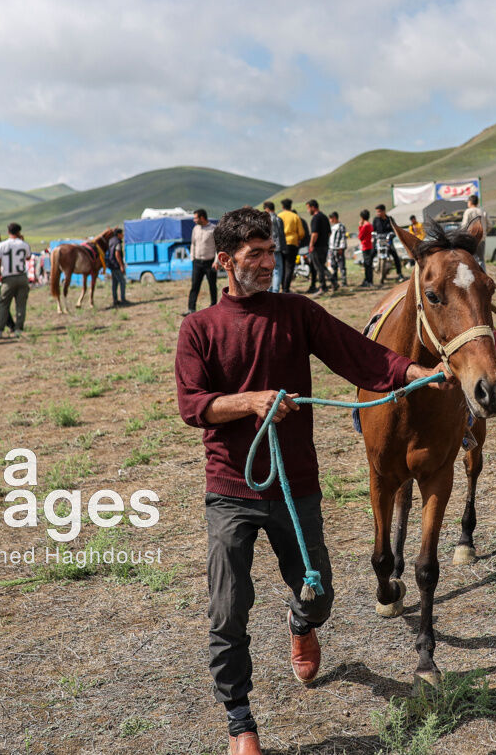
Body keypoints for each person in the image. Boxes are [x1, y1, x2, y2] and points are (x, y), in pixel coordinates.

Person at [174, 207, 451, 755]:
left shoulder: (297, 313)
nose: (268, 263)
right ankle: (240, 722)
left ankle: (301, 624)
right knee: (227, 608)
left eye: (271, 252)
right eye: (255, 254)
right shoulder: (198, 328)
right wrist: (250, 402)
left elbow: (359, 355)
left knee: (318, 595)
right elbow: (193, 406)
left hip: (295, 483)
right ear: (225, 260)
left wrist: (414, 372)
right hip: (230, 489)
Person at [0, 223, 31, 339]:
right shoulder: (24, 244)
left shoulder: (1, 245)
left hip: (8, 278)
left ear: (8, 231)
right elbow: (28, 257)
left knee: (4, 304)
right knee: (21, 305)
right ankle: (18, 329)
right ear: (19, 232)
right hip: (22, 277)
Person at [189, 209, 219, 313]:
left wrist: (216, 261)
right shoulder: (195, 229)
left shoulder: (213, 229)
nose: (194, 220)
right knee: (194, 285)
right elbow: (193, 244)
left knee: (212, 285)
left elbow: (218, 247)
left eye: (195, 218)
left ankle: (214, 306)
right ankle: (191, 309)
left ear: (202, 218)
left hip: (210, 263)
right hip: (197, 262)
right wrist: (192, 258)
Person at [277, 199, 305, 293]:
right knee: (289, 266)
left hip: (280, 244)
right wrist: (298, 238)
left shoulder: (279, 216)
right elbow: (301, 233)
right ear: (291, 206)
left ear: (282, 207)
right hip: (292, 243)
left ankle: (281, 286)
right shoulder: (295, 216)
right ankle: (286, 288)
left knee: (281, 266)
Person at [371, 204, 404, 283]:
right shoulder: (375, 220)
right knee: (370, 255)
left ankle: (399, 274)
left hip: (388, 242)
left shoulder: (390, 219)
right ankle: (369, 276)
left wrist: (392, 235)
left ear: (384, 211)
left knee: (395, 256)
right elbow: (373, 230)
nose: (378, 213)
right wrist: (373, 236)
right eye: (377, 212)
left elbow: (394, 230)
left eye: (379, 212)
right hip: (378, 241)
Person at [304, 199, 330, 296]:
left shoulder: (315, 218)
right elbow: (329, 233)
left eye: (308, 208)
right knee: (322, 266)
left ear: (313, 207)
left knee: (318, 268)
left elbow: (314, 233)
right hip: (325, 246)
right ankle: (332, 281)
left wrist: (311, 245)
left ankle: (323, 287)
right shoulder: (324, 217)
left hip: (317, 247)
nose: (308, 211)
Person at [461, 195, 489, 267]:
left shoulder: (468, 212)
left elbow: (464, 226)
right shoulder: (483, 211)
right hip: (481, 238)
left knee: (471, 259)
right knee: (481, 260)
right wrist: (484, 232)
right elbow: (490, 225)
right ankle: (482, 273)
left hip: (470, 239)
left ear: (470, 202)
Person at [262, 202, 284, 292]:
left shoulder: (264, 219)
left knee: (268, 270)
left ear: (267, 209)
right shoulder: (278, 219)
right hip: (277, 247)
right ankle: (275, 290)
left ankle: (268, 289)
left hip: (267, 248)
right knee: (277, 270)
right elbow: (281, 235)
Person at [107, 227, 128, 307]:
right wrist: (121, 266)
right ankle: (123, 299)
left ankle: (115, 300)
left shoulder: (111, 241)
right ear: (118, 234)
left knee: (115, 283)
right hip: (116, 265)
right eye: (122, 234)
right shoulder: (117, 242)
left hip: (111, 264)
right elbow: (117, 254)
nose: (123, 235)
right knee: (122, 282)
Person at [327, 211, 348, 289]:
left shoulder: (341, 226)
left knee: (341, 265)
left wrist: (341, 247)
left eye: (331, 218)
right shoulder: (333, 227)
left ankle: (344, 281)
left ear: (334, 218)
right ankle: (335, 281)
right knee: (333, 265)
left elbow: (343, 238)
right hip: (332, 248)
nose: (330, 220)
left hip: (338, 249)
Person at [358, 209, 375, 288]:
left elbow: (360, 237)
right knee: (369, 264)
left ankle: (368, 281)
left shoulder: (365, 226)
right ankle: (368, 280)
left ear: (362, 217)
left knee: (367, 265)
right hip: (370, 246)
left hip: (365, 246)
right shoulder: (370, 225)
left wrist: (360, 226)